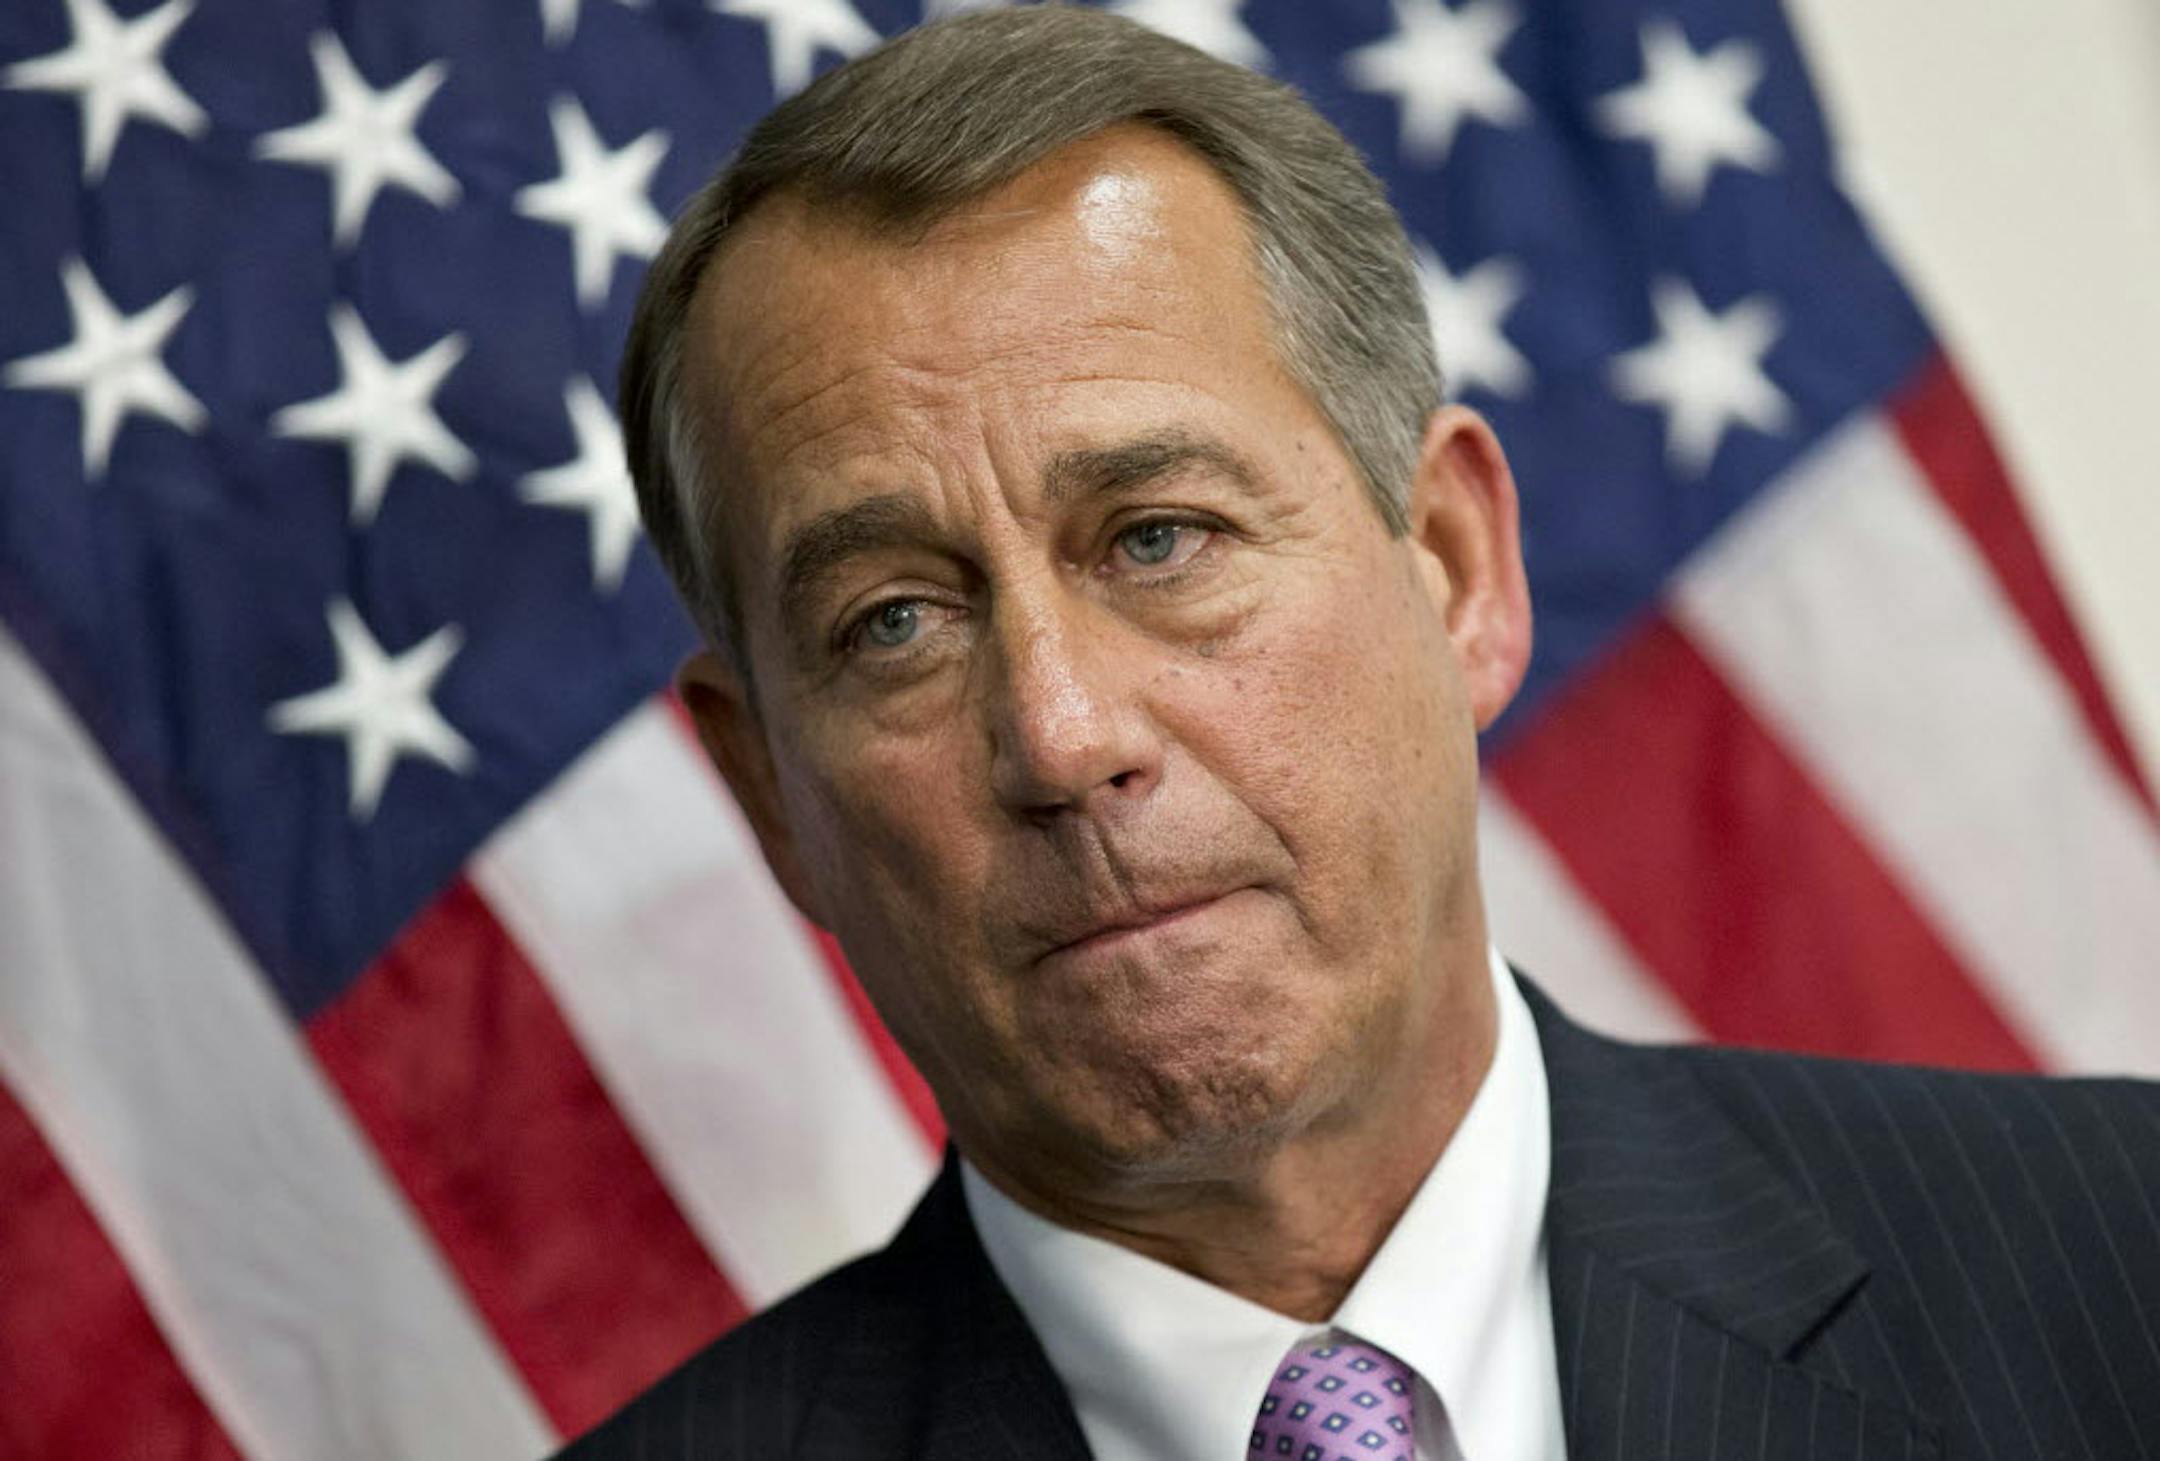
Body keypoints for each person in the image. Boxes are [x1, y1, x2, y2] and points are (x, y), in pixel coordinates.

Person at [562, 8, 2160, 1457]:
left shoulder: (2117, 1278)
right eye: (895, 622)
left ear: (1457, 569)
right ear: (770, 790)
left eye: (1158, 537)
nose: (1061, 734)